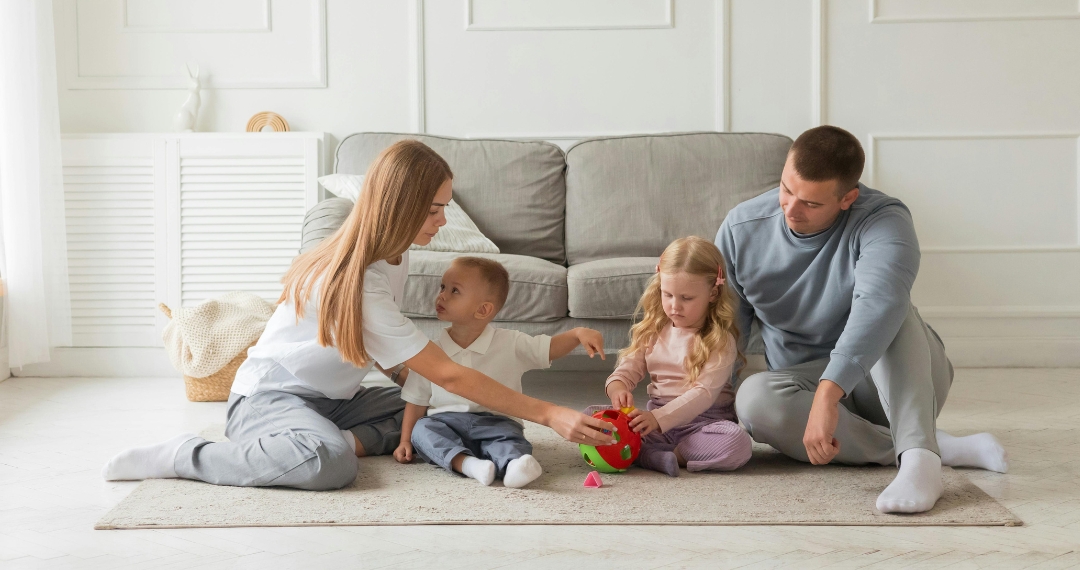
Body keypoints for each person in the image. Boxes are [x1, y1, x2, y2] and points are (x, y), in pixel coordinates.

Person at [102, 140, 613, 489]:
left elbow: (401, 365)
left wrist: (407, 385)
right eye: (435, 209)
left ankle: (323, 438)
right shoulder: (359, 276)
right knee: (329, 463)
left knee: (429, 413)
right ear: (402, 206)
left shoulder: (396, 253)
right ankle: (185, 456)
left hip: (333, 402)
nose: (442, 220)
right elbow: (451, 372)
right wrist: (549, 413)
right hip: (266, 400)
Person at [720, 126, 1007, 514]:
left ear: (847, 198)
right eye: (786, 190)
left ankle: (921, 459)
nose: (790, 209)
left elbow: (880, 303)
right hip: (801, 388)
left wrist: (828, 392)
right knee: (753, 399)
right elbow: (723, 328)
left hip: (892, 379)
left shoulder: (885, 220)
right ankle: (927, 446)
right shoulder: (741, 228)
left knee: (894, 308)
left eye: (810, 203)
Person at [393, 256, 606, 488]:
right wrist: (405, 440)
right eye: (443, 287)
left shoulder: (510, 343)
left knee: (509, 439)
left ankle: (515, 465)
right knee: (422, 430)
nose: (441, 295)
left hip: (497, 421)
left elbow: (548, 349)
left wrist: (576, 334)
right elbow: (416, 401)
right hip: (446, 422)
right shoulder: (431, 352)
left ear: (483, 309)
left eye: (455, 291)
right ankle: (469, 465)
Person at [601, 236, 753, 477]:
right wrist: (618, 388)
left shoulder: (720, 340)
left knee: (737, 444)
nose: (674, 306)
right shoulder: (652, 329)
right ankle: (654, 450)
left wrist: (658, 418)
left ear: (713, 293)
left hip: (704, 423)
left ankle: (658, 455)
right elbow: (626, 370)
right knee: (592, 417)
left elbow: (703, 395)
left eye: (686, 298)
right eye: (667, 294)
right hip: (656, 421)